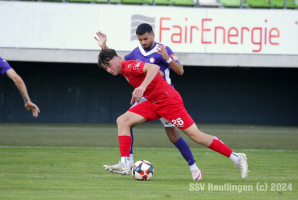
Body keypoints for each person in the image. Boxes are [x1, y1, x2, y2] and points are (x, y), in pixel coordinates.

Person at [97, 48, 249, 180]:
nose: (109, 70)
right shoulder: (121, 66)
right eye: (106, 69)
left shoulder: (129, 66)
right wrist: (103, 47)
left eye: (109, 66)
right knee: (122, 121)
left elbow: (154, 68)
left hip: (169, 102)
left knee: (196, 136)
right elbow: (111, 56)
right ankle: (125, 163)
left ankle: (237, 157)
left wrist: (142, 87)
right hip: (153, 103)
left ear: (117, 59)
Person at [95, 23, 202, 180]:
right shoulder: (136, 52)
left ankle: (194, 169)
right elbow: (118, 63)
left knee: (173, 136)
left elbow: (180, 70)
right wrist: (104, 47)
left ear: (152, 34)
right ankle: (127, 163)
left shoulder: (162, 49)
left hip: (164, 97)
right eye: (140, 39)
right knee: (126, 121)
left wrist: (167, 58)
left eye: (145, 38)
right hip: (146, 98)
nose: (143, 42)